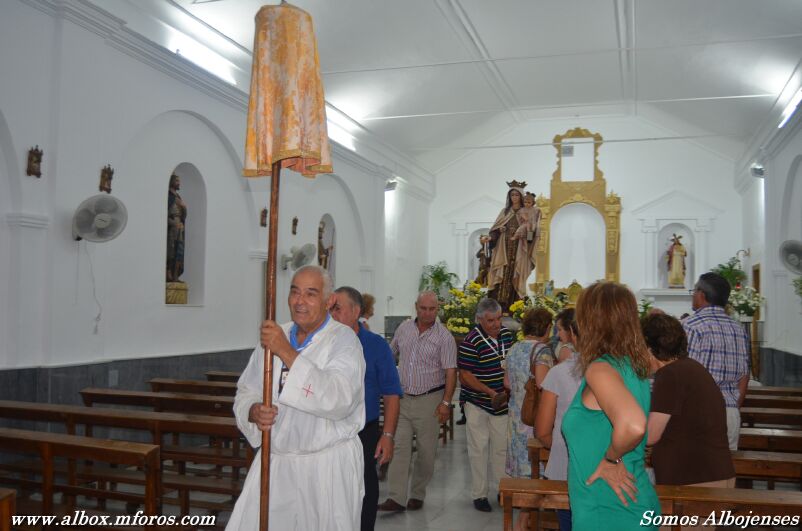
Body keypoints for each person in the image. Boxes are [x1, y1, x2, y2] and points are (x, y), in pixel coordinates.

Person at [226, 265, 366, 531]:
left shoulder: (343, 340)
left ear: (329, 300)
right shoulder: (274, 336)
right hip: (277, 461)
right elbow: (246, 389)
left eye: (311, 294)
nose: (300, 301)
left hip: (326, 468)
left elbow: (339, 400)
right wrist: (253, 410)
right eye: (295, 292)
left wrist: (285, 350)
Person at [561, 282, 660, 530]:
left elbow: (634, 425)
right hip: (624, 501)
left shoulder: (601, 369)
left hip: (608, 509)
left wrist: (611, 459)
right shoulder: (630, 366)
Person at [330, 287, 402, 531]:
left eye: (337, 308)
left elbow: (391, 393)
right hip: (329, 428)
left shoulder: (375, 345)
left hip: (364, 430)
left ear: (356, 311)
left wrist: (388, 435)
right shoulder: (322, 342)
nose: (332, 314)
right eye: (329, 308)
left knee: (364, 486)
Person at [378, 291, 457, 512]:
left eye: (432, 309)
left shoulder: (444, 337)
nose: (427, 313)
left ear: (437, 309)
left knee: (425, 452)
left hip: (429, 400)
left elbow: (451, 372)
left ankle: (417, 493)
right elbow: (390, 353)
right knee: (400, 446)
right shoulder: (404, 329)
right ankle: (396, 497)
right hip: (402, 400)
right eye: (423, 308)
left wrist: (446, 403)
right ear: (416, 307)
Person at [643, 313, 735, 492]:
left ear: (648, 348)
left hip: (695, 479)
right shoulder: (691, 367)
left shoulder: (670, 375)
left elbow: (651, 435)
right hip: (709, 473)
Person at [458, 298, 515, 512]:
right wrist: (490, 392)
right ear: (480, 319)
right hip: (477, 403)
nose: (496, 324)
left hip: (502, 404)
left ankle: (503, 490)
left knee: (501, 449)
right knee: (478, 449)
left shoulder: (507, 335)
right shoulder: (471, 341)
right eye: (490, 320)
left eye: (499, 319)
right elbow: (465, 375)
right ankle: (480, 495)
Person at [683, 272, 750, 450]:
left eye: (694, 290)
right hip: (730, 413)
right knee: (724, 473)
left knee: (694, 475)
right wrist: (733, 406)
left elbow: (684, 374)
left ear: (701, 295)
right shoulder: (738, 329)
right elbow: (744, 375)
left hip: (697, 412)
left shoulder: (691, 326)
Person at [504, 307, 553, 528]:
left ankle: (526, 519)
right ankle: (525, 520)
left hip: (516, 415)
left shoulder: (515, 348)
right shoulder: (542, 351)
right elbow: (543, 385)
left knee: (524, 471)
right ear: (547, 327)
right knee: (535, 470)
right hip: (534, 418)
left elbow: (506, 383)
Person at [535, 309, 582, 531]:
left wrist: (564, 448)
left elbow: (542, 431)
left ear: (573, 333)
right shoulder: (619, 370)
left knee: (567, 520)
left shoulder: (559, 372)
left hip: (566, 463)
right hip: (606, 466)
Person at [482, 182, 540, 312]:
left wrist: (526, 234)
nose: (514, 197)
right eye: (512, 195)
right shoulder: (505, 212)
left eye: (516, 195)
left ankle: (514, 308)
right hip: (503, 248)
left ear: (521, 196)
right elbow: (495, 230)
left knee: (516, 274)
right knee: (501, 272)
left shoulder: (527, 212)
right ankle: (498, 307)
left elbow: (532, 231)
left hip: (519, 248)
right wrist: (493, 235)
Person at [166, 174, 187, 282]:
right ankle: (168, 273)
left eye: (179, 180)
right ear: (172, 182)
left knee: (179, 251)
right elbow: (164, 215)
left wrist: (184, 207)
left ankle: (176, 275)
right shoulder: (168, 196)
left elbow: (183, 215)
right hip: (172, 227)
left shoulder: (178, 197)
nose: (179, 183)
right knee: (171, 250)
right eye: (177, 180)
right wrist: (173, 223)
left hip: (180, 226)